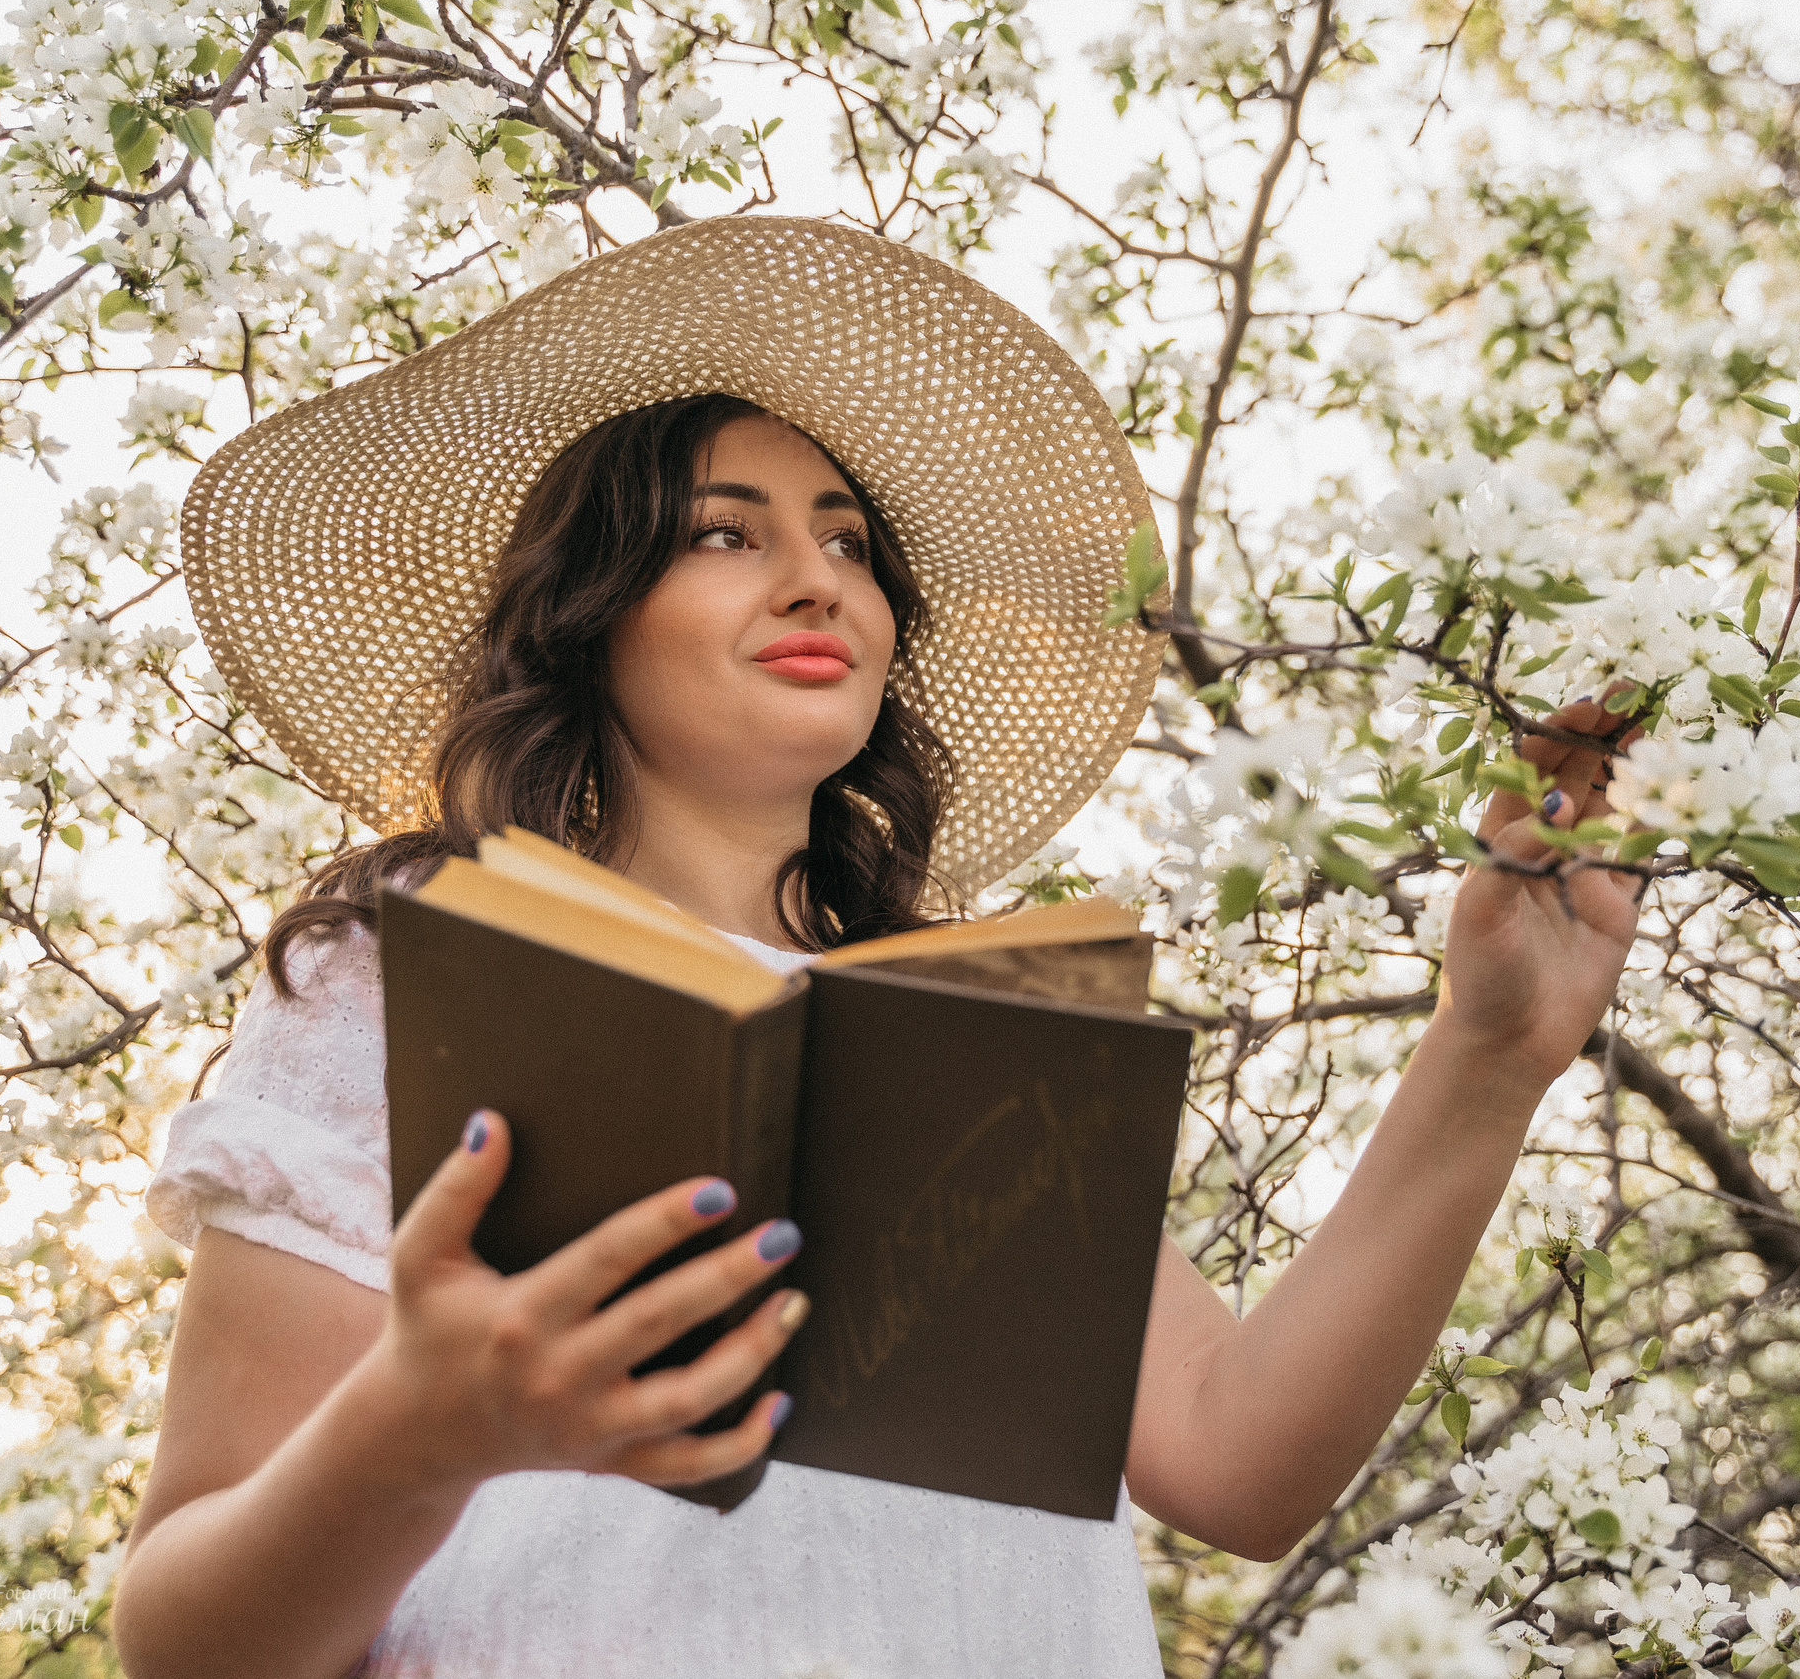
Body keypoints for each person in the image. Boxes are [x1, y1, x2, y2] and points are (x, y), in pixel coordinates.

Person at [109, 219, 1641, 1679]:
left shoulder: (973, 1039)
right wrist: (417, 1428)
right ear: (586, 618)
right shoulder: (410, 974)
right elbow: (183, 1642)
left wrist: (1491, 1056)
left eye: (849, 542)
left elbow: (1237, 1459)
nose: (816, 577)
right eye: (724, 532)